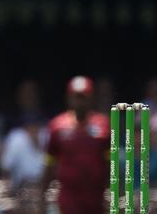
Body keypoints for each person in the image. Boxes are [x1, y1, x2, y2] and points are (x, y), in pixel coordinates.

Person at [40, 76, 109, 214]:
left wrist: (116, 196)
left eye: (84, 97)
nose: (80, 102)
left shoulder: (103, 125)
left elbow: (111, 163)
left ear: (91, 99)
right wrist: (42, 198)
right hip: (69, 199)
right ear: (69, 98)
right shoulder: (57, 126)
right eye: (77, 97)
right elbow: (49, 163)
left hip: (95, 198)